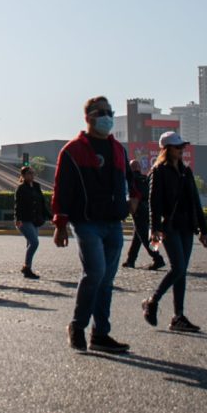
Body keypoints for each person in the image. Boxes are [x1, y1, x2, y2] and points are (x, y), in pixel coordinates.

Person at [53, 96, 137, 353]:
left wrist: (133, 201)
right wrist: (60, 223)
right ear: (88, 116)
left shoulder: (118, 149)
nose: (107, 116)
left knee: (107, 280)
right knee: (95, 273)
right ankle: (77, 326)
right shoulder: (73, 150)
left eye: (110, 112)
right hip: (87, 223)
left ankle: (100, 334)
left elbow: (131, 179)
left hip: (113, 222)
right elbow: (62, 189)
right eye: (101, 112)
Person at [141, 132, 207, 333]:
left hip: (186, 226)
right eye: (177, 147)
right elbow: (154, 203)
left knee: (181, 272)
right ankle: (152, 301)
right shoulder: (158, 171)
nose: (181, 150)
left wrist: (203, 231)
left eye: (182, 147)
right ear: (166, 149)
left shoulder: (185, 171)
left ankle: (178, 316)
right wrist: (154, 228)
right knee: (178, 267)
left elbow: (195, 202)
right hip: (169, 226)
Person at [122, 160, 166, 271]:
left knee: (144, 238)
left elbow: (127, 194)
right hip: (149, 209)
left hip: (138, 209)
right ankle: (130, 260)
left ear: (131, 168)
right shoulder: (146, 178)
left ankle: (158, 259)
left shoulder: (130, 179)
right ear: (139, 168)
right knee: (138, 236)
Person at [13, 166, 48, 279]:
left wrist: (49, 216)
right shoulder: (21, 188)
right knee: (34, 242)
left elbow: (42, 203)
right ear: (23, 175)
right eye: (29, 173)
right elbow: (17, 205)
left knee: (30, 243)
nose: (31, 175)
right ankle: (26, 267)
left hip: (35, 220)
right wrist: (18, 219)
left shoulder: (37, 186)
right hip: (24, 219)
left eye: (33, 173)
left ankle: (28, 269)